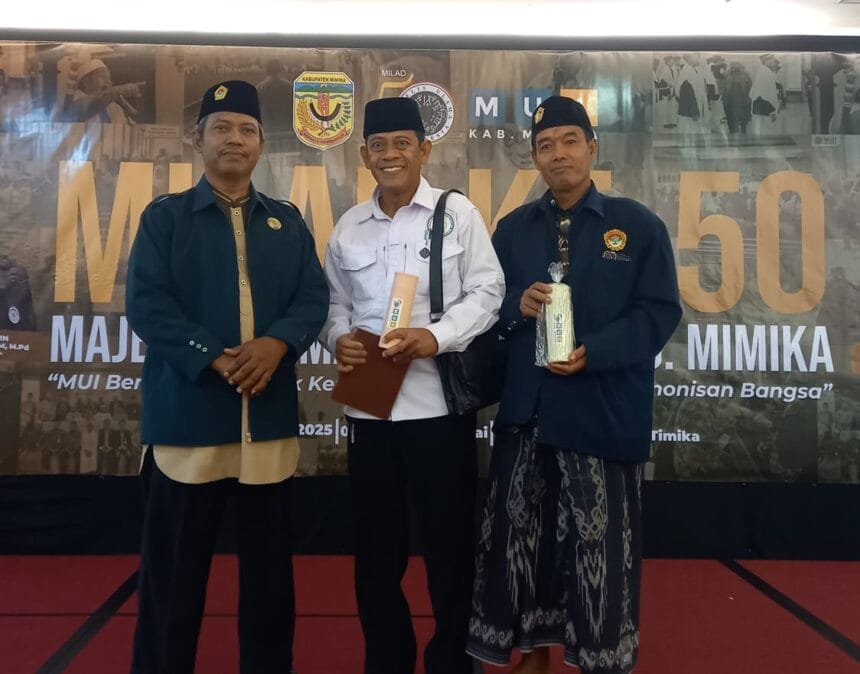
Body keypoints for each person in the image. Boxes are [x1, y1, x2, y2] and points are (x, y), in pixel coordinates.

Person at [467, 96, 682, 674]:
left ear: (592, 147)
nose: (557, 154)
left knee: (599, 550)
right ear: (535, 157)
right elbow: (484, 308)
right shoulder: (513, 230)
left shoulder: (636, 225)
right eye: (545, 145)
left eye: (569, 141)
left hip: (600, 414)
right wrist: (517, 304)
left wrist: (597, 352)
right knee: (520, 545)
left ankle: (599, 659)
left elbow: (659, 312)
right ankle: (531, 654)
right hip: (528, 415)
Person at [126, 80, 329, 674]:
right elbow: (148, 305)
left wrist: (276, 344)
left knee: (270, 588)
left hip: (266, 425)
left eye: (246, 129)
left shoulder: (286, 221)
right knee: (172, 583)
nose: (234, 139)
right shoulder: (165, 219)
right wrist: (214, 356)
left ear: (261, 143)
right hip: (188, 425)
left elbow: (312, 298)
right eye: (221, 128)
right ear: (198, 140)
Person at [319, 96, 504, 674]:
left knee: (450, 554)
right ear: (364, 156)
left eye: (402, 143)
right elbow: (333, 305)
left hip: (438, 412)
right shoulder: (349, 227)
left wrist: (437, 336)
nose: (390, 155)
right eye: (379, 146)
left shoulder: (457, 214)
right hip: (369, 415)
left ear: (424, 150)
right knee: (376, 556)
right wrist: (337, 338)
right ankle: (387, 661)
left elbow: (489, 291)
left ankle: (451, 663)